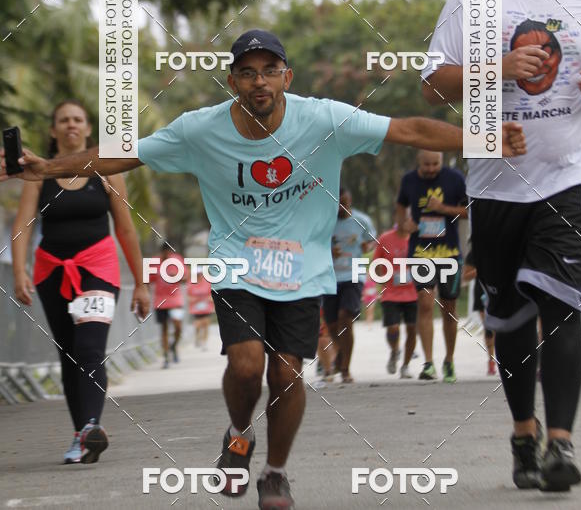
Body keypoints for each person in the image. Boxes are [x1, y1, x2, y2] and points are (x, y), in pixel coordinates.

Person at [2, 29, 526, 510]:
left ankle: (274, 472)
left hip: (304, 269)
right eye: (248, 72)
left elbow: (409, 129)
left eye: (270, 70)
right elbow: (123, 155)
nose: (259, 81)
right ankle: (237, 433)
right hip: (236, 263)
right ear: (232, 80)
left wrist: (485, 139)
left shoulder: (323, 119)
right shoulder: (198, 129)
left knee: (287, 372)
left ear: (286, 78)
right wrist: (47, 168)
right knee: (249, 365)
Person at [422, 0, 581, 492]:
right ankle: (523, 432)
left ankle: (561, 444)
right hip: (496, 186)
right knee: (509, 317)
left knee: (562, 305)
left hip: (568, 177)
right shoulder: (471, 0)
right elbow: (434, 85)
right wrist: (496, 67)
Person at [10, 100, 149, 464]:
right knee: (69, 354)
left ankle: (90, 426)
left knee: (89, 347)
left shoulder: (105, 172)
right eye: (63, 120)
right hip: (51, 270)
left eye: (78, 120)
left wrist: (142, 282)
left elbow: (125, 228)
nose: (71, 125)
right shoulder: (36, 174)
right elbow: (23, 223)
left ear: (88, 129)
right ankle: (81, 437)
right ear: (54, 131)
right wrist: (19, 270)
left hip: (98, 269)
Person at [396, 150, 467, 383]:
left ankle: (449, 360)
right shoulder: (408, 180)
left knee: (449, 308)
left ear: (442, 160)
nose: (430, 168)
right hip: (420, 252)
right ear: (418, 161)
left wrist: (443, 208)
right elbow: (400, 208)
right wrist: (404, 224)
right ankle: (428, 363)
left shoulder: (455, 179)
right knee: (425, 303)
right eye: (426, 164)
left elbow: (467, 210)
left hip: (449, 253)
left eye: (435, 164)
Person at [322, 187, 376, 383]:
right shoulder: (326, 222)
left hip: (354, 273)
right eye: (338, 204)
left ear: (350, 201)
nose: (342, 208)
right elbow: (315, 245)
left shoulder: (362, 221)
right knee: (332, 324)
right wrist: (329, 252)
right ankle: (341, 355)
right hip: (330, 277)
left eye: (345, 203)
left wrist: (366, 246)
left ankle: (345, 368)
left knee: (346, 317)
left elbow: (371, 242)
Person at [372, 210, 418, 378]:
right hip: (390, 293)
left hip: (413, 292)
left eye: (410, 218)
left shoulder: (417, 239)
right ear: (397, 218)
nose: (407, 221)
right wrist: (381, 280)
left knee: (412, 329)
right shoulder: (385, 238)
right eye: (404, 218)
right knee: (393, 328)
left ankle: (405, 366)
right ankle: (395, 351)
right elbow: (376, 263)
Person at [150, 242, 185, 367]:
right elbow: (148, 279)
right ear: (161, 252)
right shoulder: (154, 262)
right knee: (164, 328)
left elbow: (186, 277)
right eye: (164, 253)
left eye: (169, 253)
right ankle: (166, 356)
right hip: (160, 301)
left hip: (175, 300)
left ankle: (173, 346)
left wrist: (176, 276)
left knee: (178, 327)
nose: (167, 255)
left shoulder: (177, 260)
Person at [462, 247, 496, 376]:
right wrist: (481, 270)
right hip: (482, 292)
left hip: (501, 290)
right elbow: (466, 276)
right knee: (489, 328)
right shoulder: (476, 251)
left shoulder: (505, 245)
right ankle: (491, 361)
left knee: (502, 328)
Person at [187, 267, 214, 349]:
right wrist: (194, 299)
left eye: (200, 274)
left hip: (206, 307)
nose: (199, 275)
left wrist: (210, 298)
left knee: (206, 324)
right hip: (195, 308)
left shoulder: (208, 282)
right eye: (197, 274)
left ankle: (204, 342)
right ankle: (197, 337)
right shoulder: (190, 283)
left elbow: (212, 294)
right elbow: (188, 297)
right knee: (198, 325)